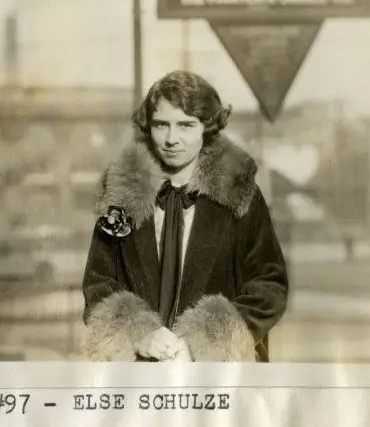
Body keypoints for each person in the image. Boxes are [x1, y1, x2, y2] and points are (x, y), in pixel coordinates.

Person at [80, 70, 289, 362]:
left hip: (217, 377)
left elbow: (270, 285)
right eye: (161, 125)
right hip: (140, 372)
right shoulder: (123, 196)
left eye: (186, 125)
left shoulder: (240, 194)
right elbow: (98, 281)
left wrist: (202, 344)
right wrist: (139, 334)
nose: (171, 139)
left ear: (207, 126)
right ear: (148, 126)